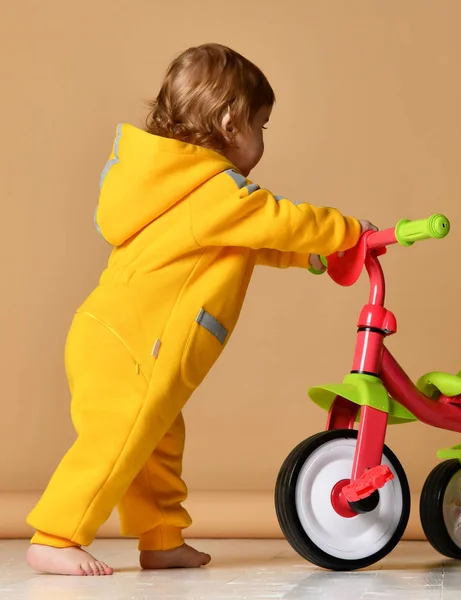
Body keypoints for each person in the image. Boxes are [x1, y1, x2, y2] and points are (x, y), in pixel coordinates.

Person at [25, 43, 377, 576]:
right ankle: (55, 535)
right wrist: (347, 231)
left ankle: (161, 538)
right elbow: (277, 220)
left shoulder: (179, 190)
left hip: (112, 334)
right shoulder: (215, 192)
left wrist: (316, 255)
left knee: (156, 443)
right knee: (117, 441)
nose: (264, 136)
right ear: (232, 123)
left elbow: (251, 242)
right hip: (138, 342)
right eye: (263, 123)